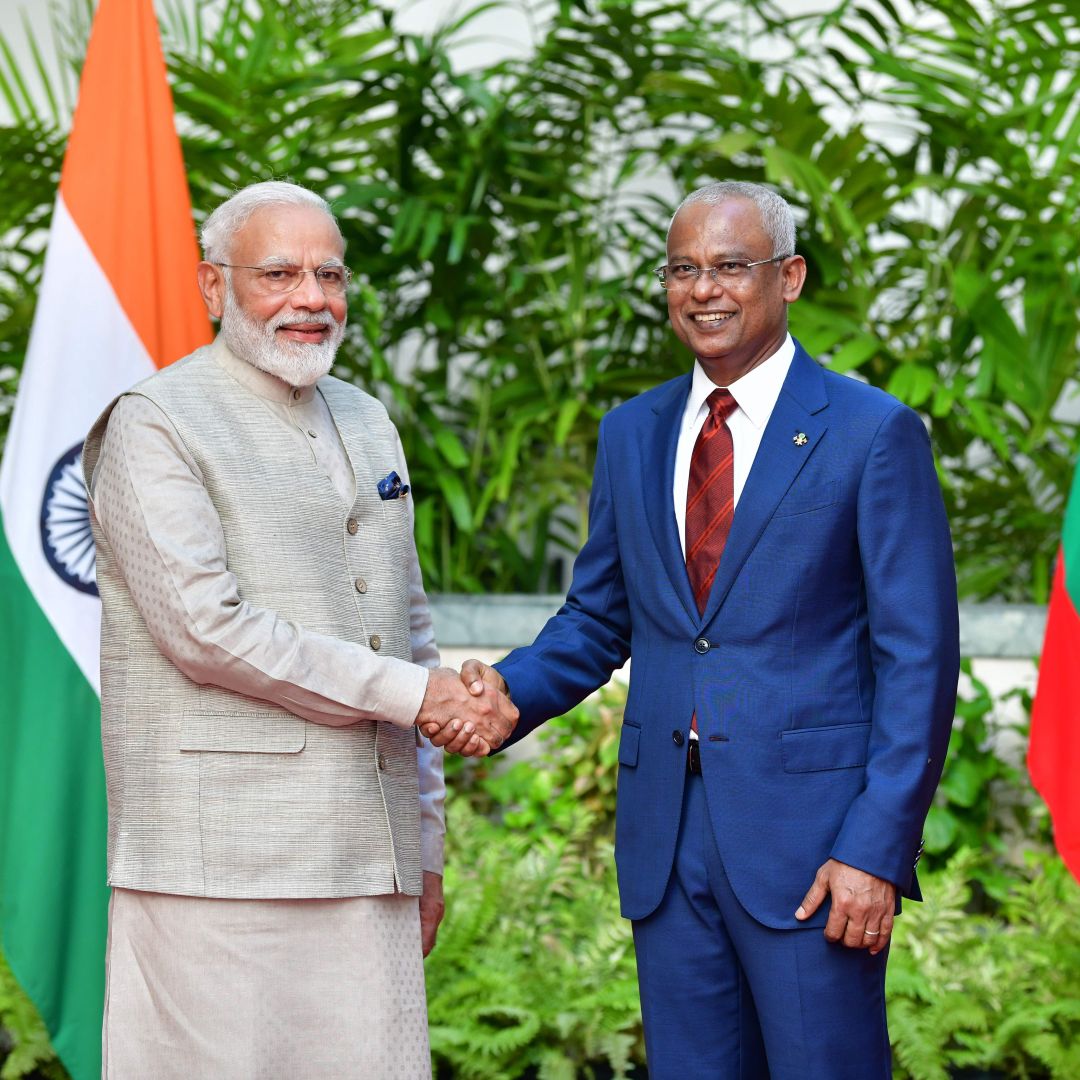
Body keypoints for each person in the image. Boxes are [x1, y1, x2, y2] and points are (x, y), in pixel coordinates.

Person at [437, 180, 959, 1078]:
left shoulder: (872, 434)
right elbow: (602, 616)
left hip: (812, 854)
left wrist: (874, 847)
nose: (703, 289)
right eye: (683, 269)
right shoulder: (632, 433)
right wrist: (509, 693)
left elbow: (918, 661)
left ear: (788, 277)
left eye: (730, 266)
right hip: (667, 848)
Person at [84, 180, 516, 1079]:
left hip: (372, 858)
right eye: (278, 273)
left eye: (330, 274)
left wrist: (425, 849)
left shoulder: (367, 418)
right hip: (218, 864)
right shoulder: (153, 424)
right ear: (213, 287)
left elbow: (411, 629)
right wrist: (415, 695)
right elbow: (207, 628)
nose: (311, 299)